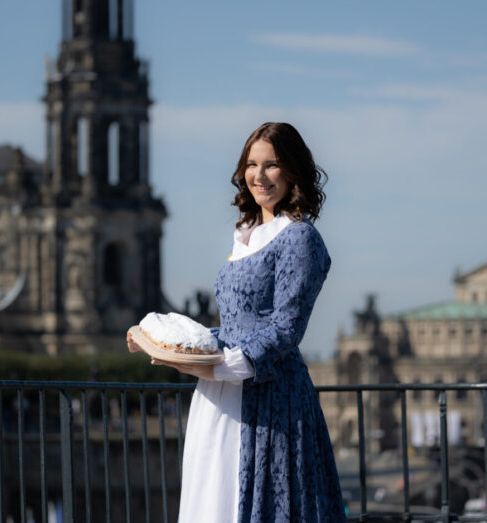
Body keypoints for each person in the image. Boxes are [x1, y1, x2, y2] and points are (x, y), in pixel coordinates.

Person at [128, 122, 345, 522]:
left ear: (293, 171)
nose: (259, 176)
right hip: (220, 393)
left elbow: (285, 328)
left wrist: (219, 366)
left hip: (268, 396)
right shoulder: (246, 234)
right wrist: (171, 343)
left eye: (272, 165)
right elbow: (234, 324)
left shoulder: (299, 238)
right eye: (251, 165)